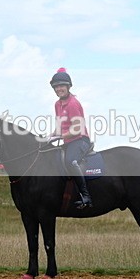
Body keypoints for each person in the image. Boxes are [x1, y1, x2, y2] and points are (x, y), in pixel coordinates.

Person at [51, 67, 93, 208]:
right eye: (56, 87)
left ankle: (86, 196)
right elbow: (59, 127)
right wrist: (48, 137)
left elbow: (77, 129)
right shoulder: (57, 104)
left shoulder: (73, 103)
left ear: (68, 86)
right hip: (68, 142)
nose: (59, 89)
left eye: (61, 86)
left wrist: (60, 136)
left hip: (80, 140)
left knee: (70, 161)